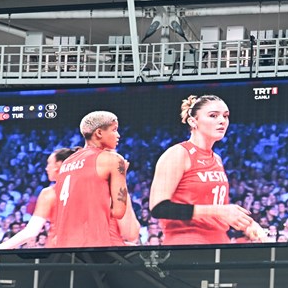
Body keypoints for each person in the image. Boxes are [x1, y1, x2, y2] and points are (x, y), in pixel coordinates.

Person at [149, 94, 266, 244]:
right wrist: (219, 210)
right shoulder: (178, 153)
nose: (222, 121)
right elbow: (159, 208)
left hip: (219, 240)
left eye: (225, 116)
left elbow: (217, 209)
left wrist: (247, 225)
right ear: (193, 121)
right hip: (186, 242)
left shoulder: (217, 159)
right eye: (213, 115)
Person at [46, 111, 139, 248]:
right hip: (100, 247)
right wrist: (121, 176)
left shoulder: (66, 163)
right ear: (99, 133)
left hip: (66, 247)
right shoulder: (113, 160)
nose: (118, 135)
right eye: (114, 130)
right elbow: (120, 215)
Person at [0, 147, 80, 250]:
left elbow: (31, 231)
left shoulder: (49, 193)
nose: (46, 168)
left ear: (59, 164)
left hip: (59, 252)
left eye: (49, 163)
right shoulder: (88, 189)